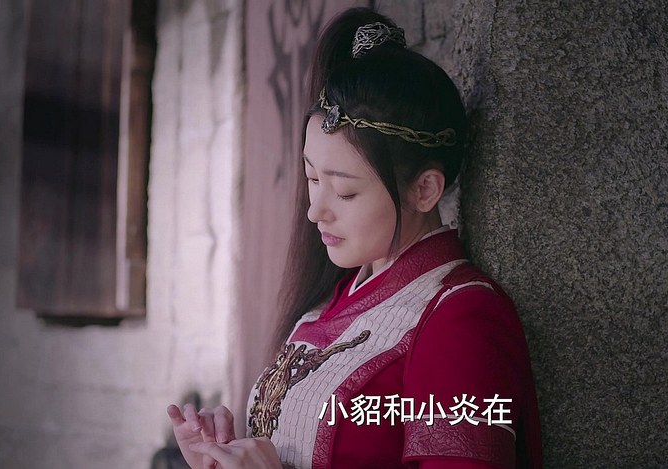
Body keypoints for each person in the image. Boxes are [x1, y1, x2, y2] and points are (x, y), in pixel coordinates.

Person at [167, 7, 542, 468]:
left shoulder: (461, 321)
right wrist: (222, 456)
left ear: (425, 189)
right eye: (312, 179)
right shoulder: (333, 301)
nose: (315, 211)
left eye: (345, 191)